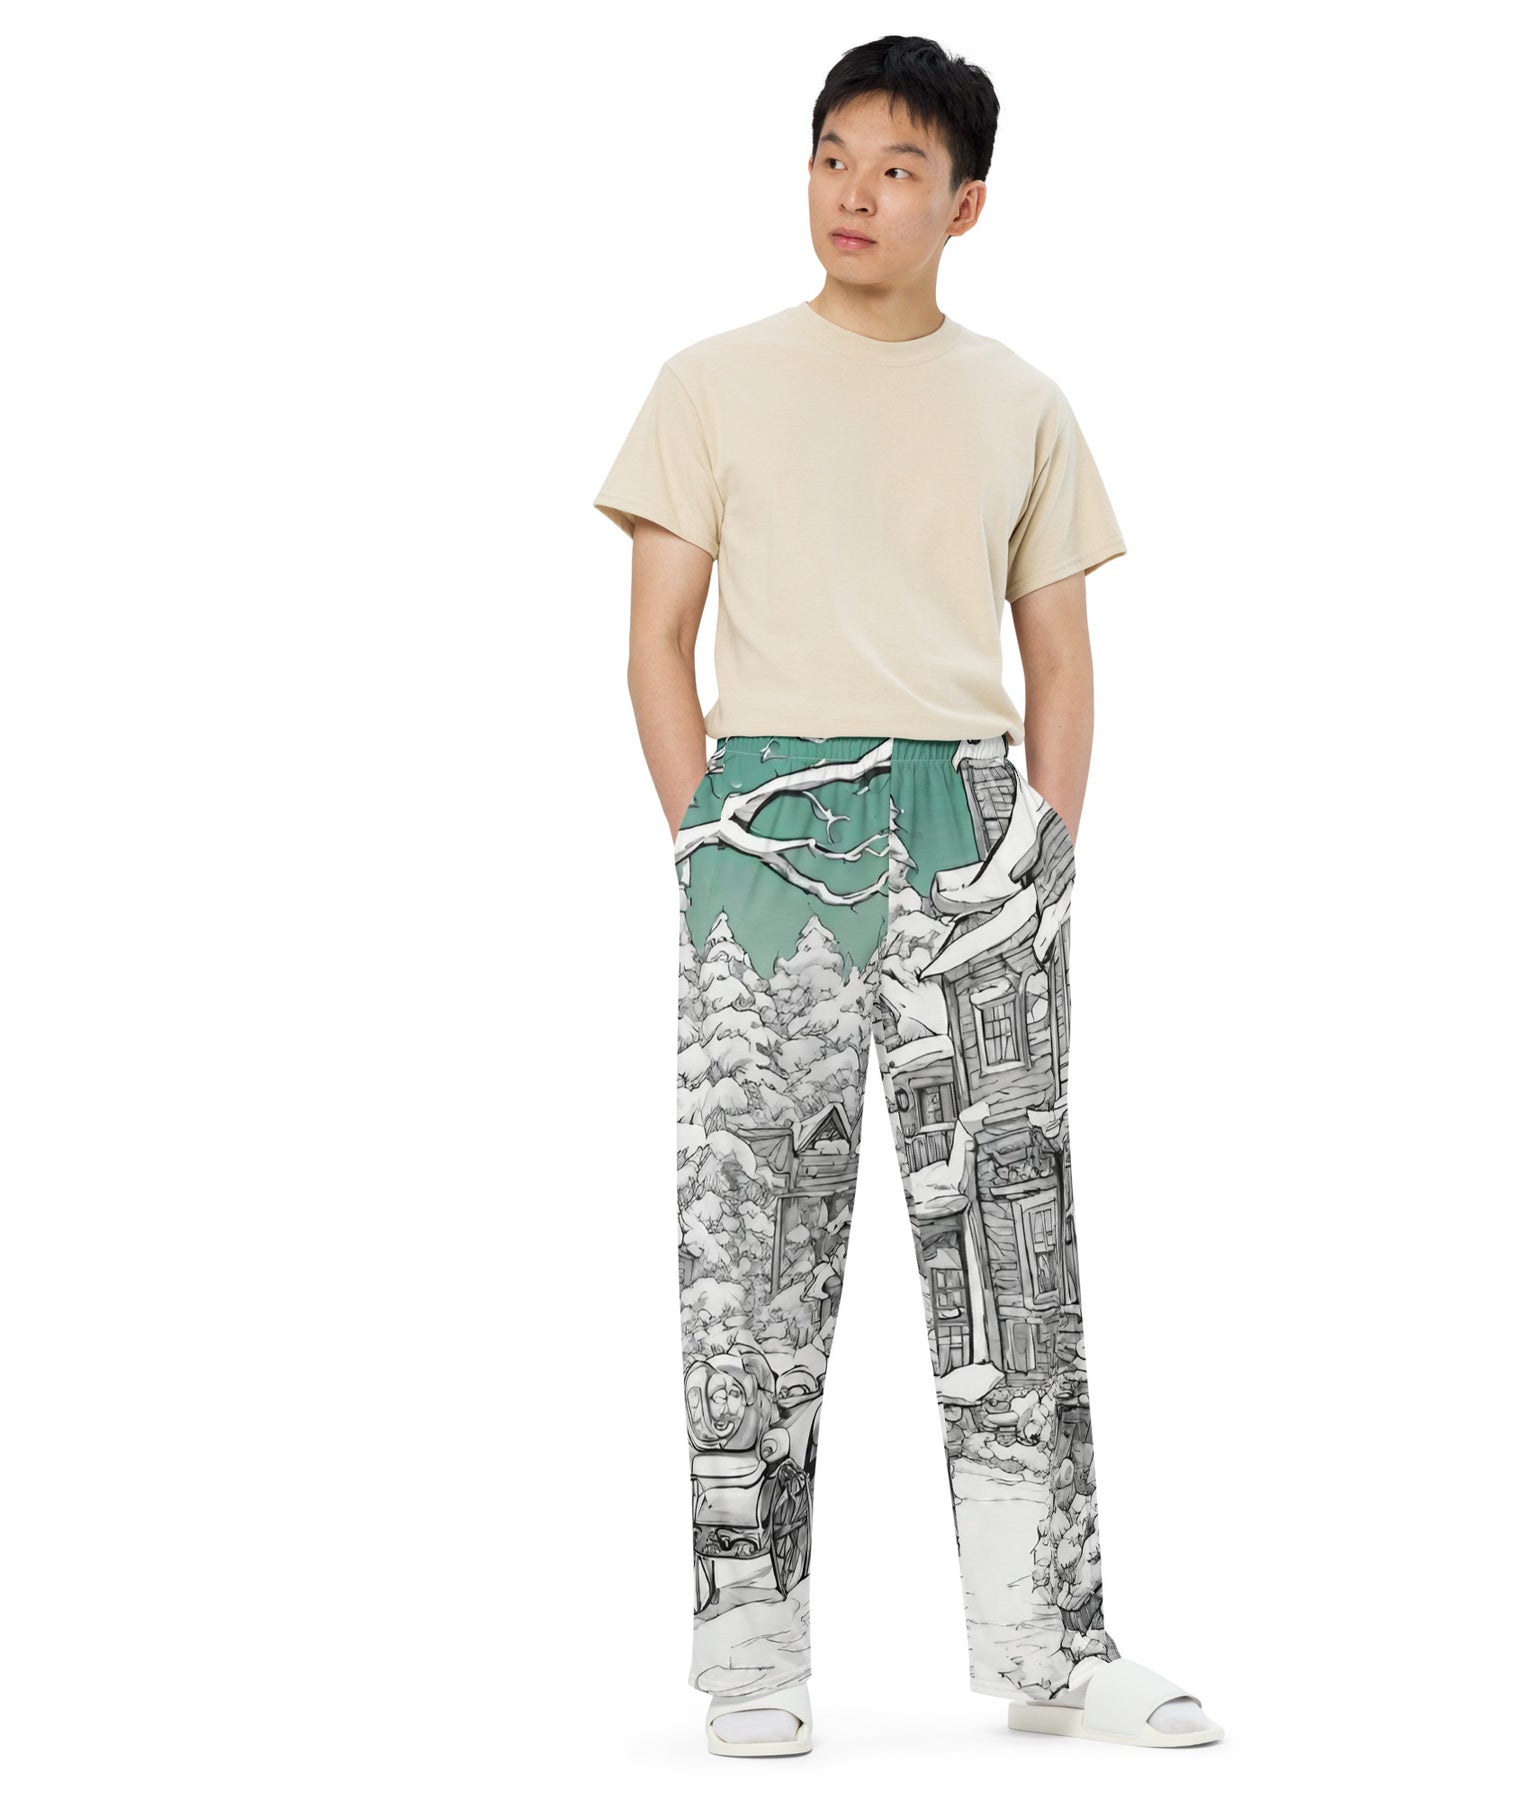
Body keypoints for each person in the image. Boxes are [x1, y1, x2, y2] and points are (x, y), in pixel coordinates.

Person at [591, 35, 1223, 1758]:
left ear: (967, 204)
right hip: (768, 827)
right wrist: (709, 841)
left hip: (970, 821)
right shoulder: (710, 383)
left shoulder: (1020, 401)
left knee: (1013, 1250)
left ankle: (1053, 1648)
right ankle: (750, 1660)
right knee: (749, 1246)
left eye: (896, 168)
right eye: (831, 157)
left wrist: (1043, 853)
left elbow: (1060, 655)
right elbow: (655, 644)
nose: (854, 194)